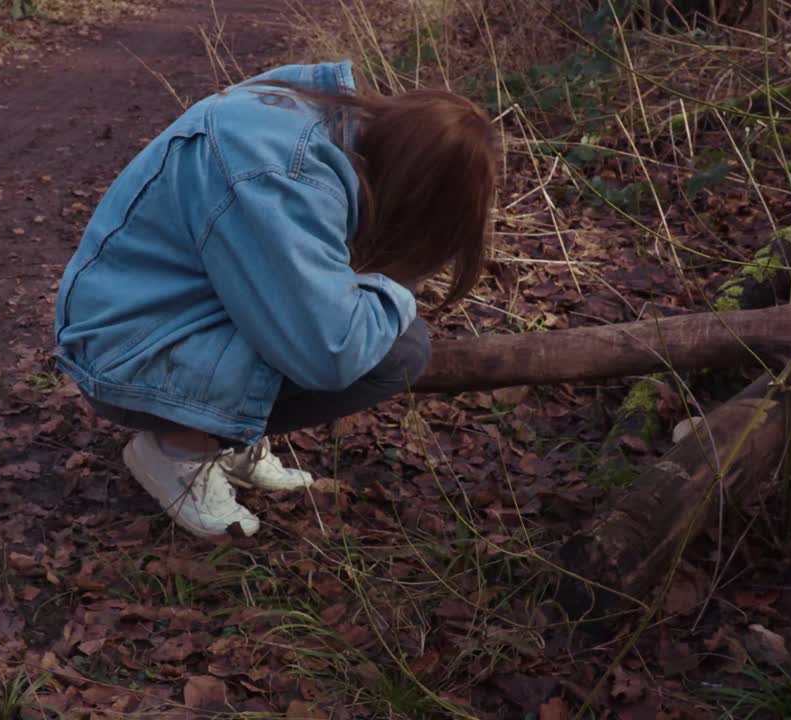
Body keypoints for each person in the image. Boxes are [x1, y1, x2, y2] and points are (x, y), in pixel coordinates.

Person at [53, 60, 498, 540]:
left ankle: (225, 438)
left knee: (375, 326)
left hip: (143, 316)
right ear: (417, 192)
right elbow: (331, 351)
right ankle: (177, 452)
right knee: (398, 349)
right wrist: (400, 280)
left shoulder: (322, 122)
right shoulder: (281, 174)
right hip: (123, 350)